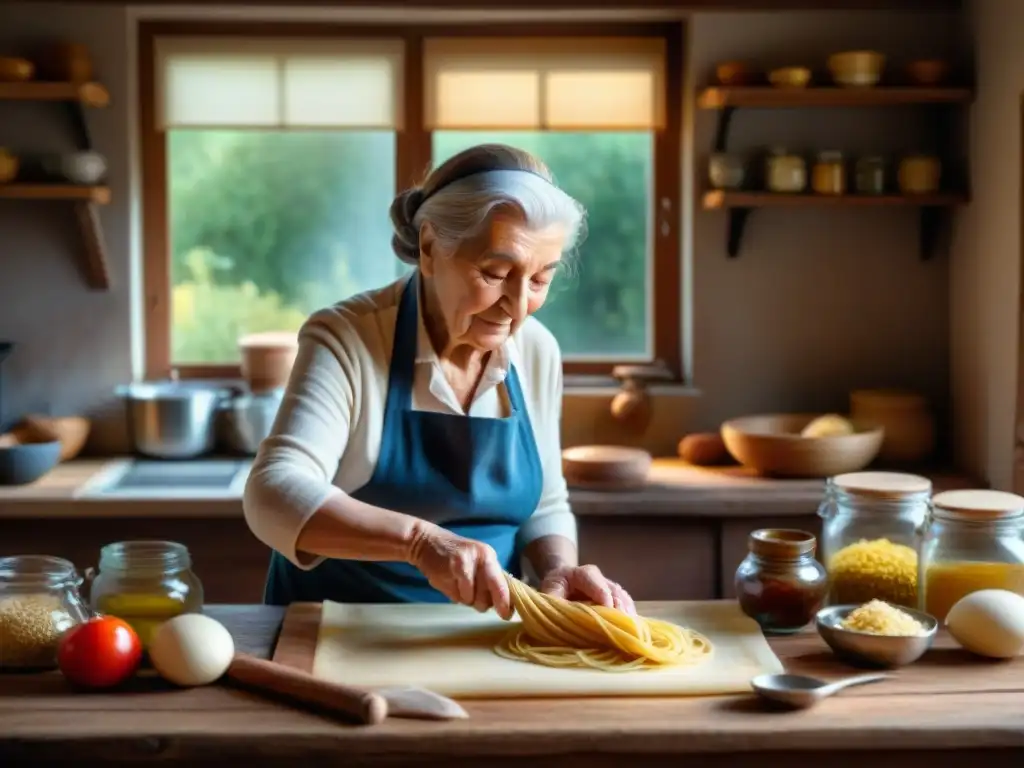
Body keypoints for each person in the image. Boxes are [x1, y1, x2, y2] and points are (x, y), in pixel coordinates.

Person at [242, 143, 636, 621]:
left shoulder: (536, 350)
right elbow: (273, 492)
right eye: (495, 273)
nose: (516, 307)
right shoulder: (348, 339)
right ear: (429, 248)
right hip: (338, 637)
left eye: (539, 280)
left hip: (480, 639)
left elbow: (546, 503)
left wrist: (559, 568)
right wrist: (419, 542)